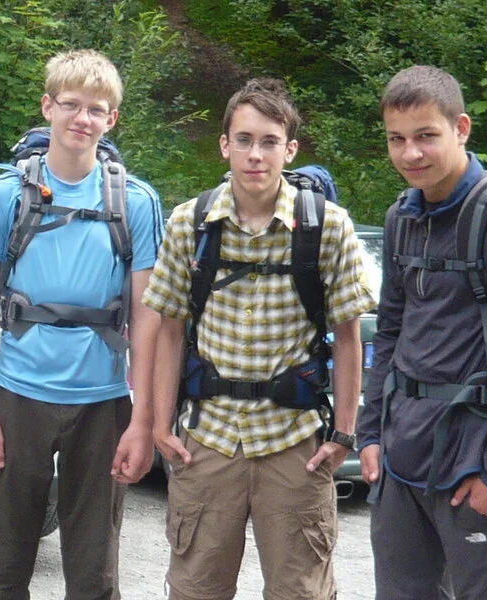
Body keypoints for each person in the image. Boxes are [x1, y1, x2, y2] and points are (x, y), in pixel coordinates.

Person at [145, 78, 374, 600]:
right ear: (224, 144)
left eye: (269, 141)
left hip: (295, 443)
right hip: (206, 440)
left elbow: (347, 337)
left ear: (289, 149)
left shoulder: (327, 228)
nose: (255, 154)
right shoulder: (191, 223)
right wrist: (161, 426)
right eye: (244, 140)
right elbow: (170, 329)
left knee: (301, 592)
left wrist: (342, 434)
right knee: (195, 590)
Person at [357, 65, 487, 599]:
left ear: (461, 128)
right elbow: (391, 331)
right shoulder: (402, 217)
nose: (410, 154)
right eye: (396, 139)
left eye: (426, 135)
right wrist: (370, 433)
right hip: (401, 456)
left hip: (475, 458)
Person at [0, 49, 163, 600]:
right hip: (18, 396)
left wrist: (142, 420)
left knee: (95, 570)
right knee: (4, 562)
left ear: (111, 119)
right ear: (47, 106)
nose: (82, 118)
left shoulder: (136, 202)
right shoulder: (4, 195)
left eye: (96, 109)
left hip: (103, 400)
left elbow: (148, 316)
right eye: (70, 105)